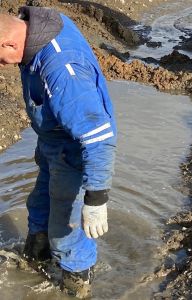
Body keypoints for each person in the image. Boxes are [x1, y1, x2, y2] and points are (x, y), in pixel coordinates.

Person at [0, 5, 117, 298]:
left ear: (10, 43)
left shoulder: (62, 70)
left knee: (66, 232)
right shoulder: (37, 25)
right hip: (54, 140)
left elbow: (98, 135)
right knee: (38, 206)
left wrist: (96, 198)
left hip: (75, 150)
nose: (2, 65)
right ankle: (35, 259)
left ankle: (76, 286)